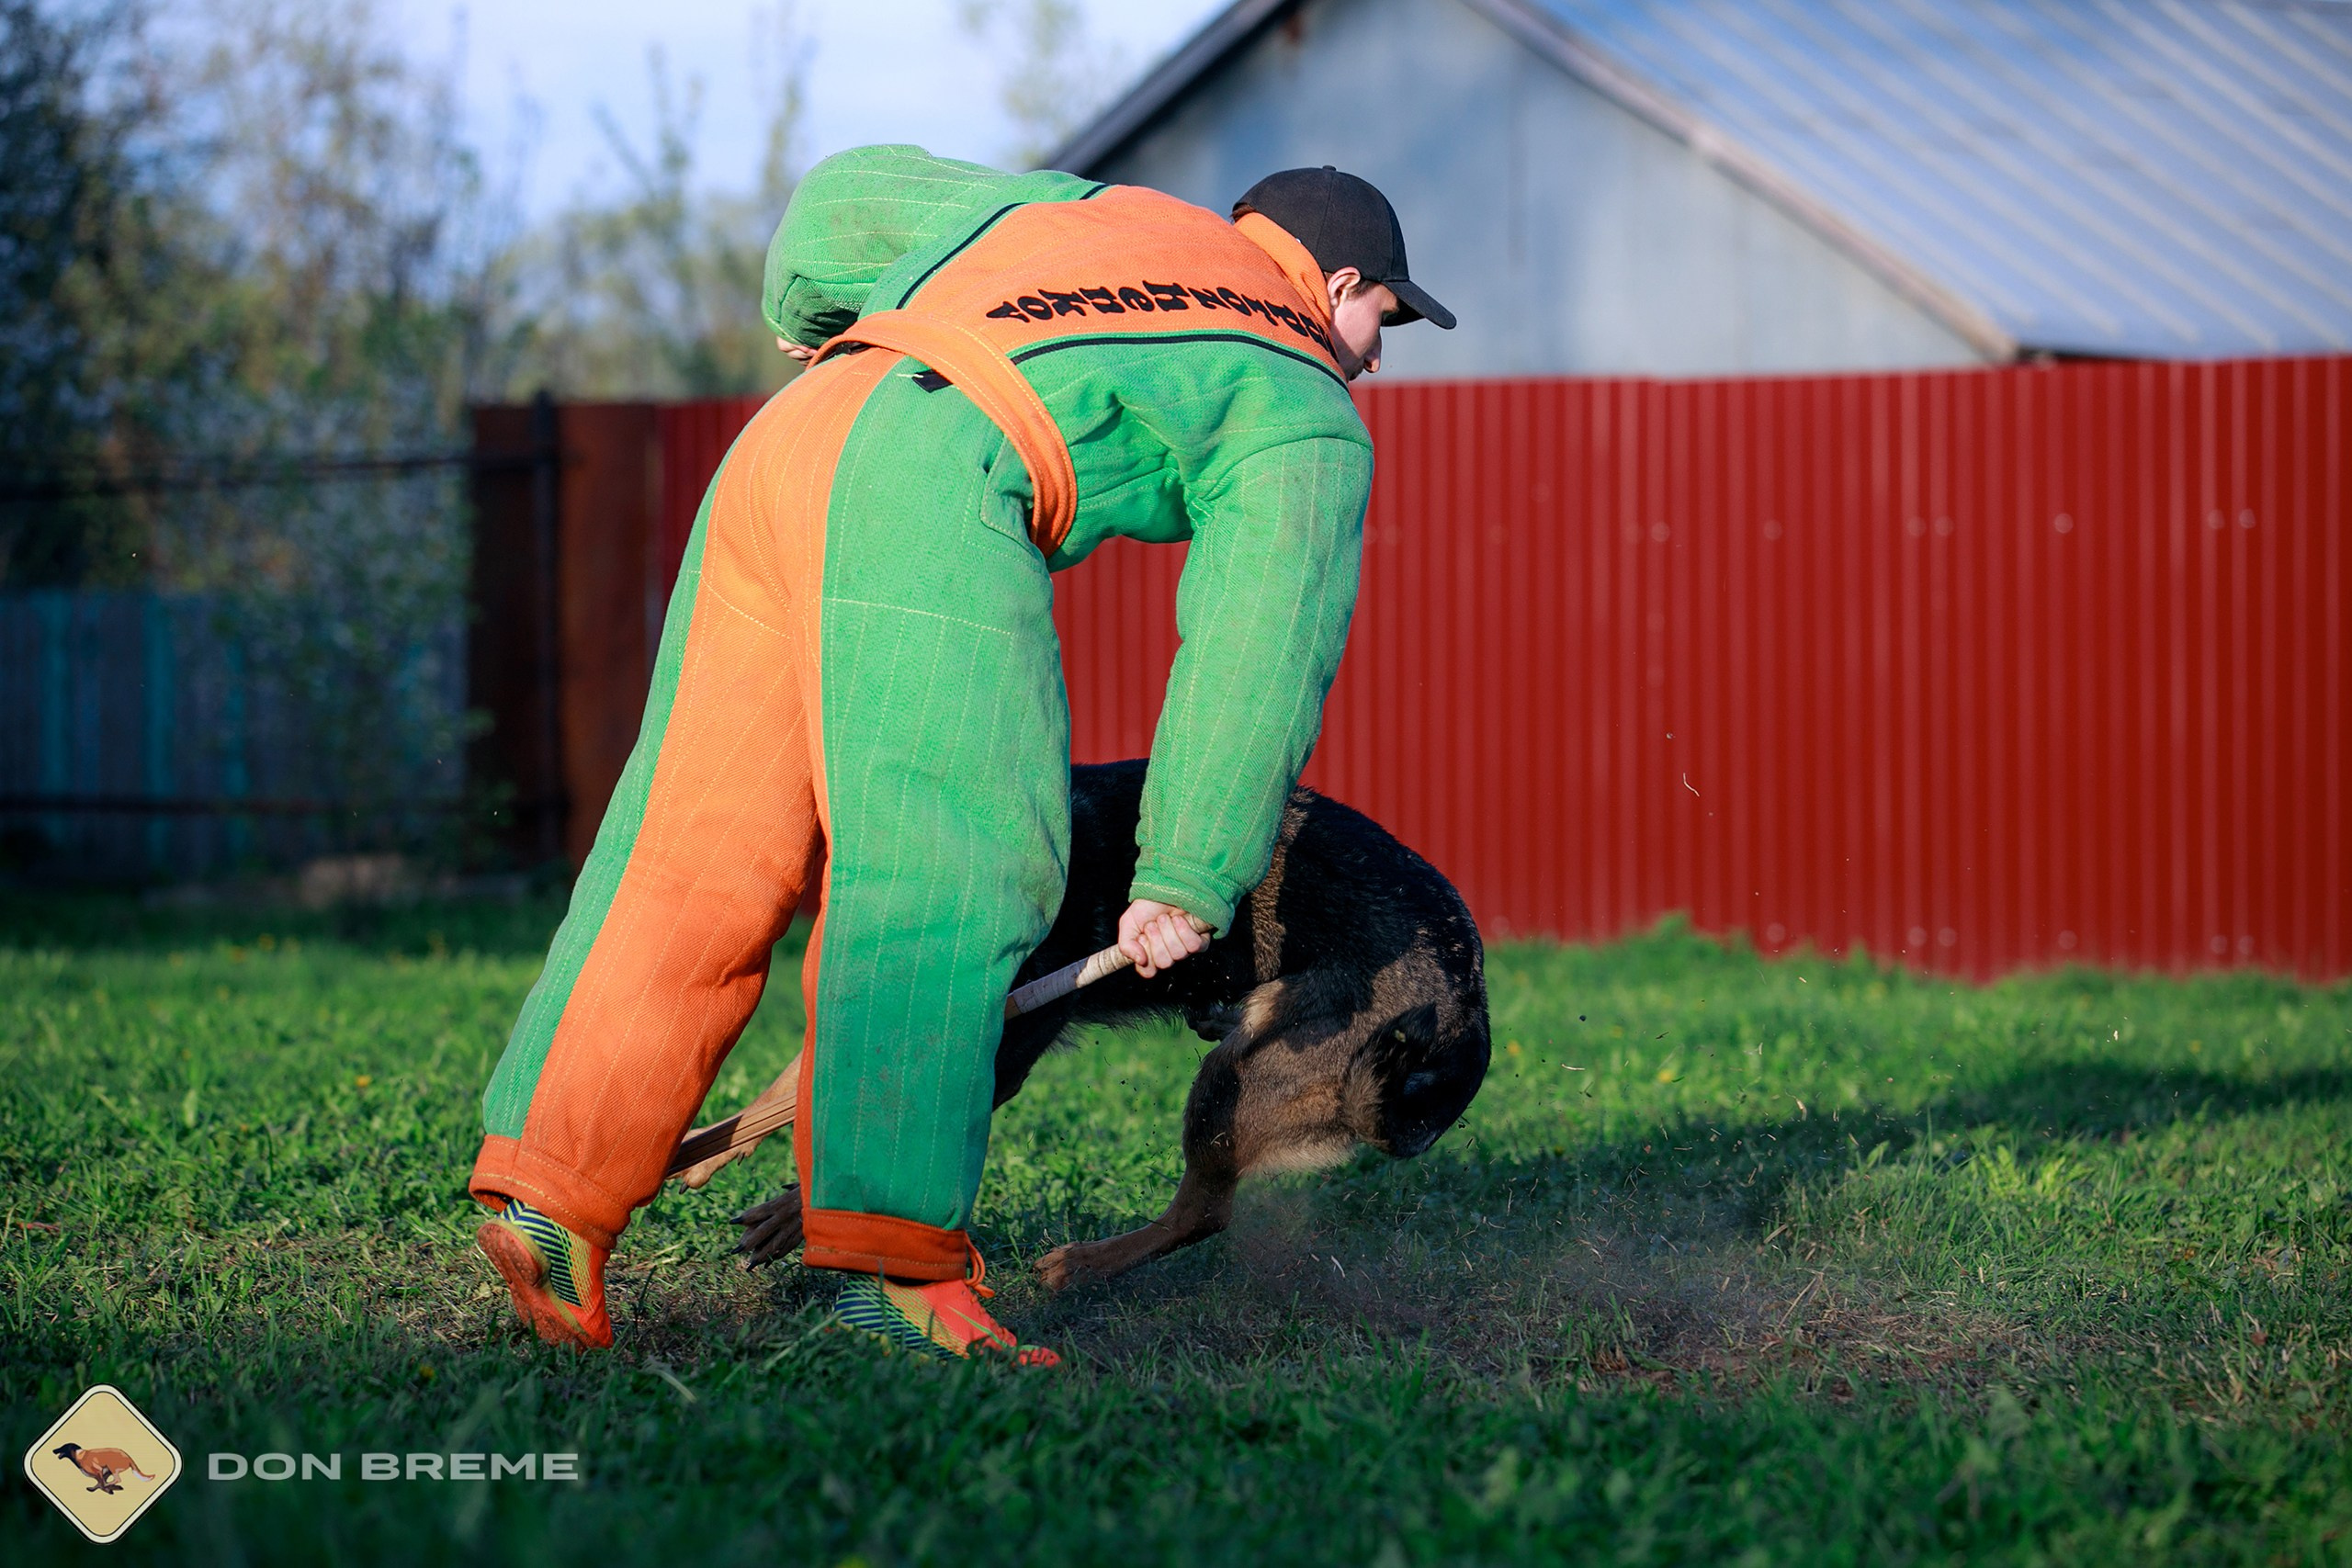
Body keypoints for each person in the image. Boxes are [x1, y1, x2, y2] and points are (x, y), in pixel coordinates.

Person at [468, 146, 1453, 1363]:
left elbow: (848, 194)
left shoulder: (1091, 211)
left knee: (690, 852)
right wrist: (1191, 872)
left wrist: (807, 308)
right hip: (940, 481)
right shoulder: (1301, 389)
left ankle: (547, 1186)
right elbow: (1264, 643)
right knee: (951, 866)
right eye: (1383, 316)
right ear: (1336, 279)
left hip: (794, 437)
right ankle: (888, 1265)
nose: (1374, 349)